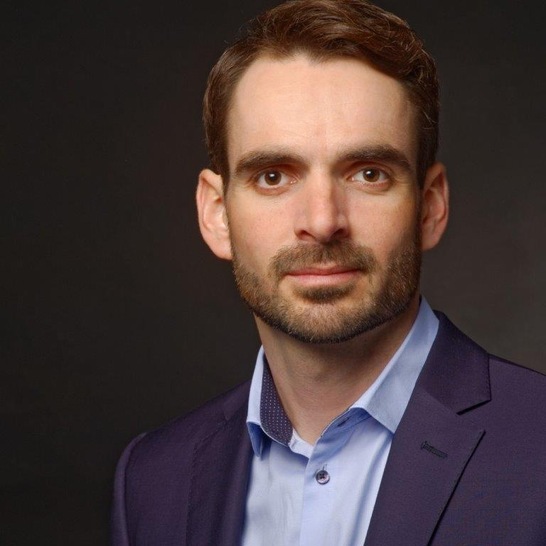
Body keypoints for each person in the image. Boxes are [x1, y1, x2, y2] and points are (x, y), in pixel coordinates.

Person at [111, 1, 546, 544]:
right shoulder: (153, 479)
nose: (322, 222)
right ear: (217, 214)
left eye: (369, 174)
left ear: (430, 207)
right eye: (273, 176)